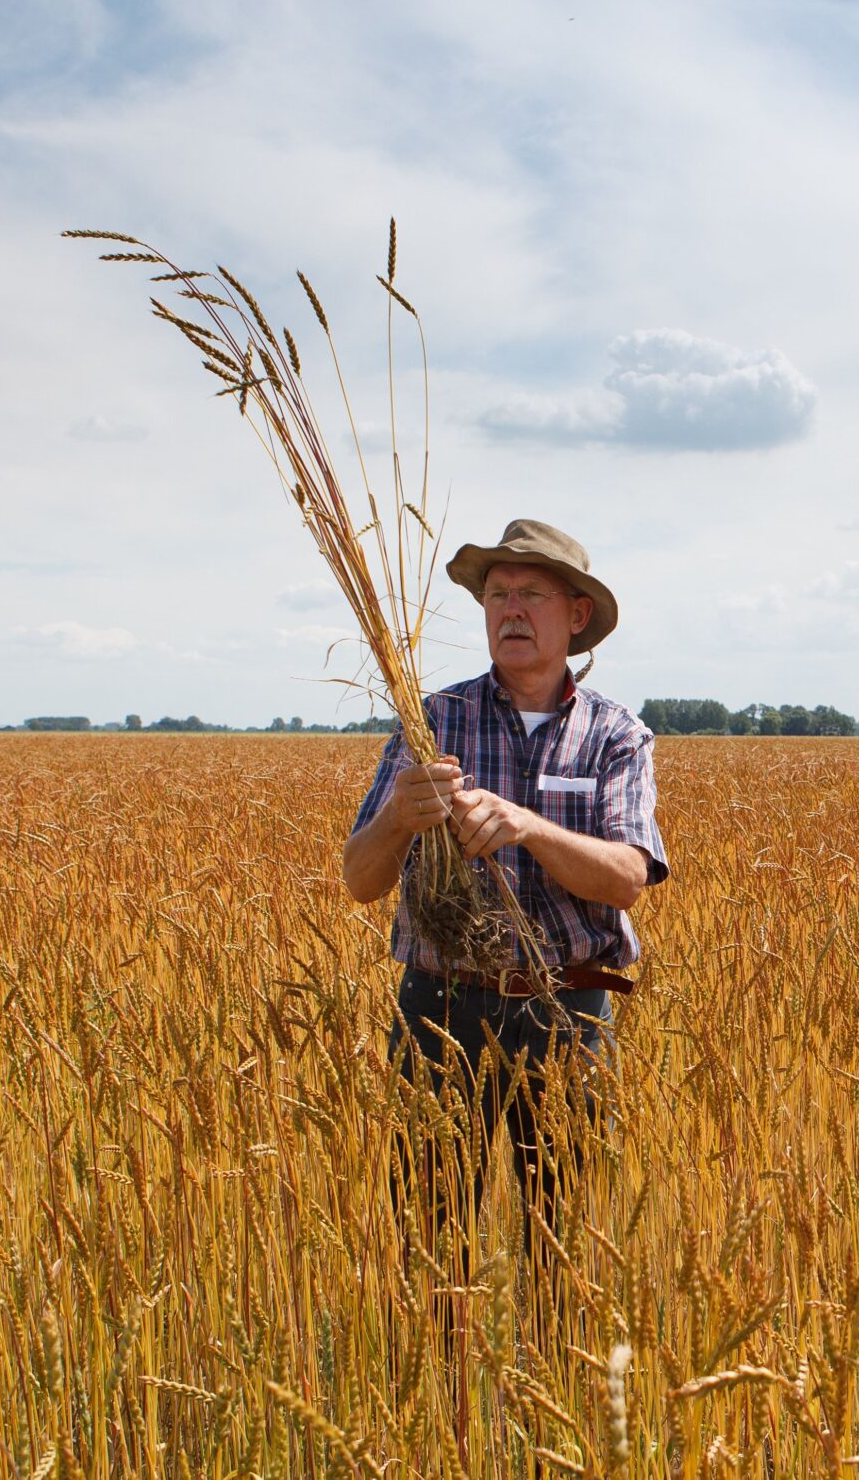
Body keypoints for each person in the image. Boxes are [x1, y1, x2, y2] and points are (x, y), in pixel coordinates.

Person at [342, 517, 669, 1271]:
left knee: (559, 1254)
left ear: (576, 615)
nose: (510, 610)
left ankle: (548, 1382)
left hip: (567, 1018)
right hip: (439, 1012)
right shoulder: (434, 721)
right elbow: (361, 880)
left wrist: (529, 827)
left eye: (531, 594)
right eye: (497, 595)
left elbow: (627, 877)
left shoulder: (615, 735)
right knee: (428, 1248)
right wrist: (398, 817)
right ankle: (429, 1387)